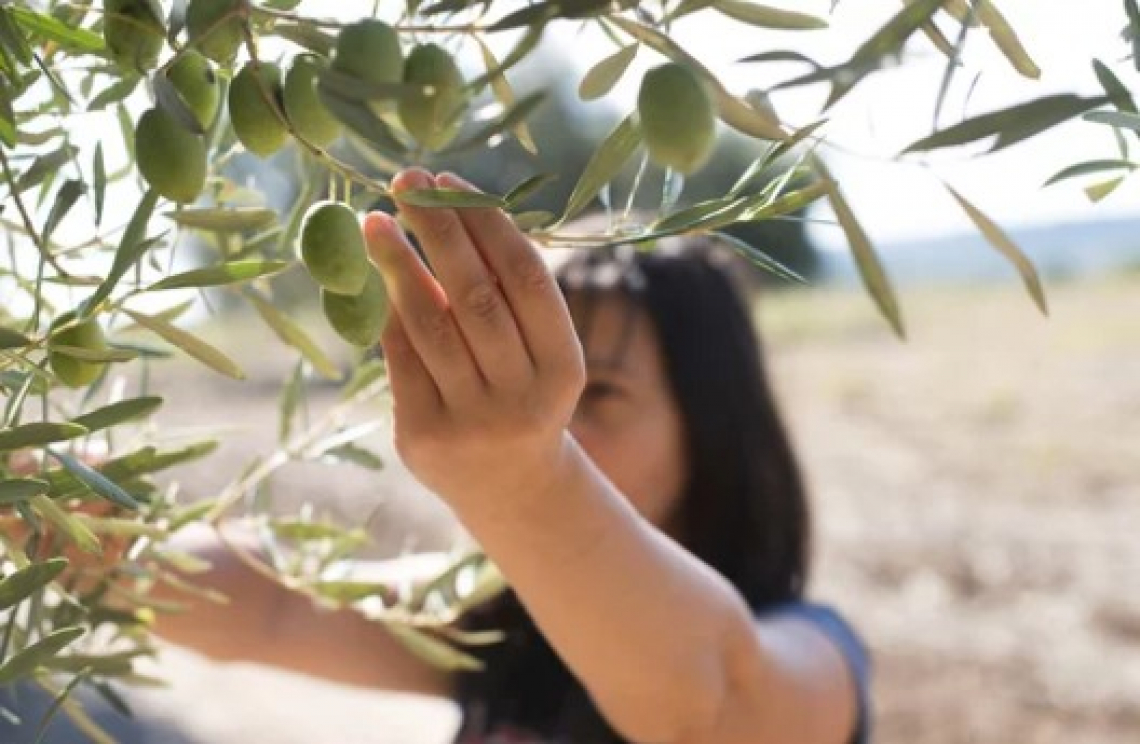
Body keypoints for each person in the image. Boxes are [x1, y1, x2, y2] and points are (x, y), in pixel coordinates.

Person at [6, 167, 872, 744]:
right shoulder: (508, 630)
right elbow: (283, 607)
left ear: (714, 429)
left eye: (594, 394)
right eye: (543, 383)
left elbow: (712, 703)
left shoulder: (816, 651)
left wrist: (529, 478)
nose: (552, 421)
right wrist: (92, 552)